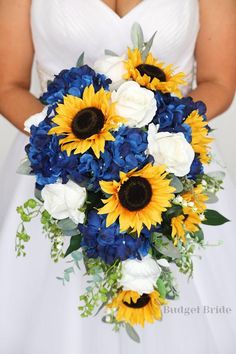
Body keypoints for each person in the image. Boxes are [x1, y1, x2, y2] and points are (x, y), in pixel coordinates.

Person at [0, 1, 235, 353]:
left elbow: (219, 81)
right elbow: (8, 85)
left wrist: (157, 136)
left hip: (172, 163)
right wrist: (67, 142)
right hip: (55, 171)